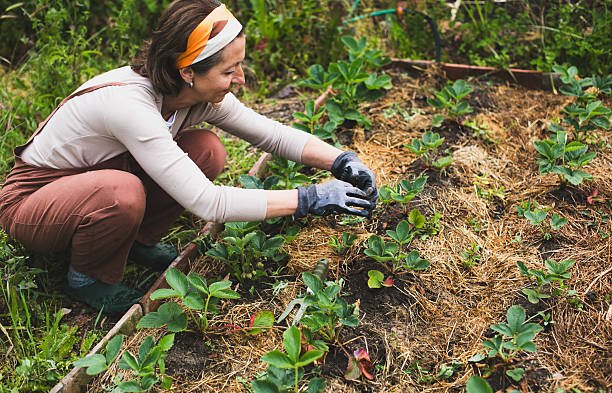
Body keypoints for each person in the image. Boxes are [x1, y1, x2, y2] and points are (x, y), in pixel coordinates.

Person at [0, 0, 377, 314]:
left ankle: (135, 241)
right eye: (229, 70)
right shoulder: (130, 105)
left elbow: (272, 134)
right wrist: (309, 199)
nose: (241, 79)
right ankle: (87, 276)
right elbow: (208, 202)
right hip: (34, 201)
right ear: (187, 72)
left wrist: (341, 160)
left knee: (205, 149)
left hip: (93, 179)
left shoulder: (192, 95)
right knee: (121, 192)